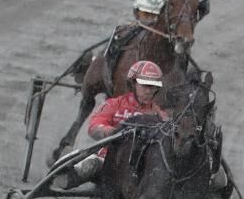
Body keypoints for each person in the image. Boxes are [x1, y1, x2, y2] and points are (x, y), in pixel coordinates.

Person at [50, 59, 167, 189]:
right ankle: (68, 178)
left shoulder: (159, 115)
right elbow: (94, 127)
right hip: (108, 158)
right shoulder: (113, 104)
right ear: (132, 84)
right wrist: (112, 132)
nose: (149, 91)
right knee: (90, 165)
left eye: (153, 87)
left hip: (141, 165)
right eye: (145, 85)